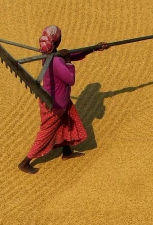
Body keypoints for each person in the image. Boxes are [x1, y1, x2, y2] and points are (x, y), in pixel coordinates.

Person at [18, 25, 109, 174]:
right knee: (46, 132)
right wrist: (67, 61)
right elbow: (70, 79)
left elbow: (75, 54)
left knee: (66, 124)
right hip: (55, 105)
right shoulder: (57, 61)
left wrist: (94, 48)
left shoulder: (50, 56)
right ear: (58, 42)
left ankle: (67, 152)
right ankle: (25, 162)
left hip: (61, 102)